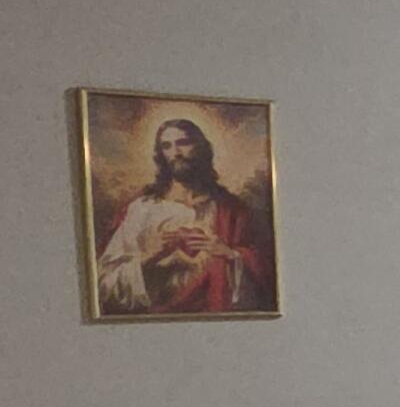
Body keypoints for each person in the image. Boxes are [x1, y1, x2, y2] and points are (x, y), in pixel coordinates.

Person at [93, 118, 273, 314]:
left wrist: (230, 255)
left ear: (202, 148)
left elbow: (268, 279)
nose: (176, 153)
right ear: (160, 155)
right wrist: (149, 257)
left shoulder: (232, 210)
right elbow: (103, 285)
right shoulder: (142, 210)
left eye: (183, 143)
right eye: (167, 146)